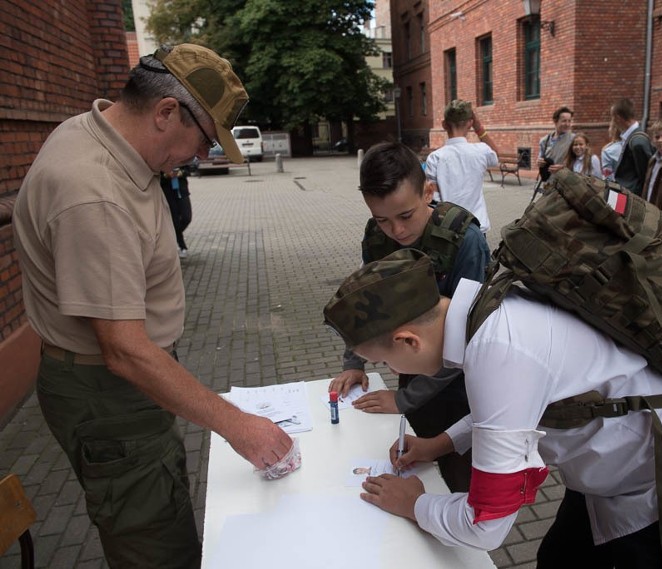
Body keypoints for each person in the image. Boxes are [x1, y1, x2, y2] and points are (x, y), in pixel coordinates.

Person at [12, 44, 293, 569]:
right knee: (158, 546)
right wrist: (237, 424)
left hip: (118, 383)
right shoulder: (94, 193)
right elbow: (123, 350)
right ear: (166, 112)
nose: (201, 155)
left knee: (157, 501)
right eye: (205, 139)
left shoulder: (101, 137)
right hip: (110, 390)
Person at [323, 249, 662, 568]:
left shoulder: (498, 352)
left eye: (383, 362)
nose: (391, 371)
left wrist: (415, 503)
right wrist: (440, 444)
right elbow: (515, 408)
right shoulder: (487, 311)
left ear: (409, 340)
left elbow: (485, 525)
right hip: (620, 481)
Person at [329, 142, 490, 492]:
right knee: (416, 461)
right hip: (412, 368)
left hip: (461, 388)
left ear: (428, 191)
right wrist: (353, 362)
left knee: (460, 476)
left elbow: (469, 338)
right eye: (382, 219)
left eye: (405, 216)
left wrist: (404, 399)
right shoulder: (377, 238)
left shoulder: (465, 241)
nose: (397, 232)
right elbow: (364, 305)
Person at [425, 100, 498, 233]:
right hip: (477, 226)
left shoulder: (435, 158)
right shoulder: (481, 151)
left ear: (444, 125)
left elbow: (434, 198)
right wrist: (479, 128)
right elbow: (496, 155)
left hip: (448, 229)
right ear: (470, 123)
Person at [611, 98, 654, 195]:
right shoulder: (631, 138)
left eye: (612, 118)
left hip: (632, 198)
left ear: (618, 118)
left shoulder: (637, 142)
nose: (613, 122)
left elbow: (645, 177)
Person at [160, 166, 193, 257]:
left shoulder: (181, 156)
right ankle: (182, 246)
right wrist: (166, 175)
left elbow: (189, 169)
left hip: (181, 190)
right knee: (175, 221)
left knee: (187, 217)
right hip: (168, 192)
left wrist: (180, 173)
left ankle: (170, 237)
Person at [536, 106, 575, 180]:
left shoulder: (574, 140)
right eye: (564, 121)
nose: (567, 124)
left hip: (565, 183)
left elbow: (579, 163)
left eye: (569, 121)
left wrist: (564, 167)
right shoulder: (544, 140)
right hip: (548, 183)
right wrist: (539, 162)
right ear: (555, 121)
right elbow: (541, 158)